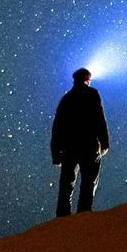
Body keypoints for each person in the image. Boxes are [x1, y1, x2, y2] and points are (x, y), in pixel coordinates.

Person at [50, 67, 110, 217]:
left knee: (66, 184)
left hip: (69, 148)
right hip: (89, 146)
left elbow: (57, 127)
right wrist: (104, 142)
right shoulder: (92, 94)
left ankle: (62, 218)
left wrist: (55, 153)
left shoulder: (66, 99)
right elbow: (99, 119)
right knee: (88, 182)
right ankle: (83, 216)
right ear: (87, 79)